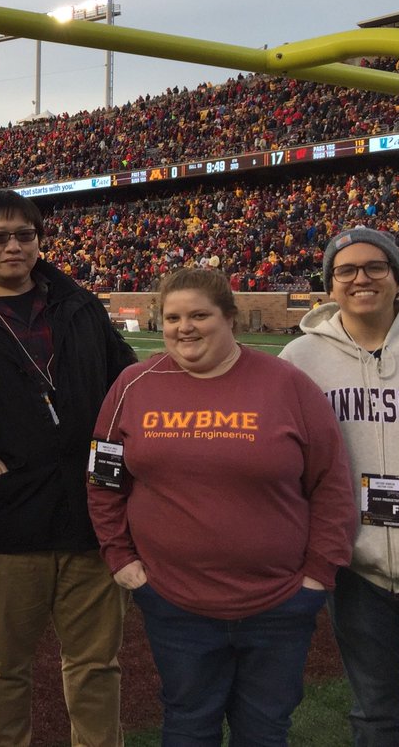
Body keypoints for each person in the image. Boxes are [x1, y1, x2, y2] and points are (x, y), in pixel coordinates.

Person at [90, 267, 356, 745]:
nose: (183, 328)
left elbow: (332, 483)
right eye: (172, 317)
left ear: (230, 318)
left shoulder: (287, 385)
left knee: (265, 730)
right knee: (189, 725)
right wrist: (120, 558)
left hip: (278, 604)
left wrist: (318, 574)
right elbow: (103, 479)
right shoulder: (131, 384)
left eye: (199, 315)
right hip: (174, 602)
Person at [0, 188, 136, 747]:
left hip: (90, 514)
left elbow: (126, 386)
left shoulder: (80, 307)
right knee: (4, 665)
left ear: (40, 242)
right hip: (8, 518)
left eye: (24, 235)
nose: (13, 247)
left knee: (96, 664)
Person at [281, 226, 399, 745]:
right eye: (346, 270)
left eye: (375, 267)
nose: (361, 278)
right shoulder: (300, 358)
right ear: (330, 284)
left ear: (397, 277)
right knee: (375, 709)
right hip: (356, 561)